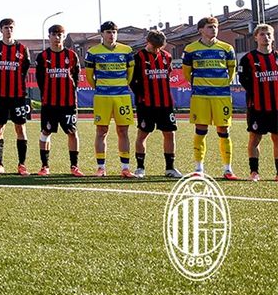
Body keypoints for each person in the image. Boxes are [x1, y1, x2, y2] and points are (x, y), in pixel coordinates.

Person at [183, 16, 238, 179]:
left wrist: (221, 85)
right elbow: (187, 73)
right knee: (201, 130)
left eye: (215, 27)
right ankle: (199, 168)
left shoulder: (227, 48)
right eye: (209, 27)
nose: (213, 29)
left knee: (224, 131)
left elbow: (231, 69)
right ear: (200, 30)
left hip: (221, 97)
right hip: (201, 96)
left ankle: (228, 169)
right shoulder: (191, 49)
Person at [85, 21, 136, 178]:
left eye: (114, 32)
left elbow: (130, 73)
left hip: (122, 97)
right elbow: (89, 75)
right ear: (102, 34)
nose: (111, 35)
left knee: (123, 131)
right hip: (102, 97)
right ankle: (101, 168)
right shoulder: (93, 52)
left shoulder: (126, 50)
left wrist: (122, 86)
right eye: (108, 32)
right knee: (101, 131)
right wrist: (100, 87)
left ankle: (125, 168)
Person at [130, 30, 181, 178]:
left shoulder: (167, 57)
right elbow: (133, 81)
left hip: (165, 103)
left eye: (160, 47)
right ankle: (140, 168)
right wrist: (141, 96)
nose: (158, 50)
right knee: (143, 134)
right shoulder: (138, 57)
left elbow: (167, 75)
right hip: (146, 104)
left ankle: (170, 168)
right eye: (155, 47)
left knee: (170, 134)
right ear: (148, 42)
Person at [0, 18, 33, 175]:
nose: (9, 30)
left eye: (11, 27)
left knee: (20, 127)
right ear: (1, 30)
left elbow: (25, 69)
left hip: (18, 95)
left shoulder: (22, 49)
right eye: (6, 27)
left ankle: (22, 164)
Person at [35, 25, 83, 176]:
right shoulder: (42, 57)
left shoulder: (72, 55)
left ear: (63, 36)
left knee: (72, 132)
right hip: (49, 103)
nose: (57, 37)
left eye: (60, 35)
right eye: (54, 34)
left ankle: (74, 166)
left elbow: (76, 76)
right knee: (45, 132)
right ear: (49, 36)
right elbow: (40, 79)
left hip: (68, 103)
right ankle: (45, 166)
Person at [238, 23, 278, 181]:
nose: (265, 37)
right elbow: (243, 80)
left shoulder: (277, 57)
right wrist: (256, 93)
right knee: (255, 139)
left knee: (277, 138)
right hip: (257, 106)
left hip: (276, 107)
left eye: (268, 34)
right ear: (255, 37)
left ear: (273, 37)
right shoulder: (248, 59)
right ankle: (254, 172)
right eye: (262, 34)